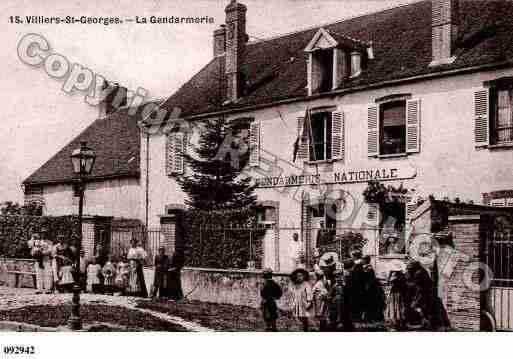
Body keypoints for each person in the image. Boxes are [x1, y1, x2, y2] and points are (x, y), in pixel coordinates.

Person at [361, 255, 385, 323]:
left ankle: (371, 317)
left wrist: (367, 286)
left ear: (366, 260)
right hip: (369, 287)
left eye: (363, 260)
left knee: (370, 303)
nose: (362, 261)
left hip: (370, 288)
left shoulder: (368, 268)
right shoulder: (366, 267)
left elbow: (370, 279)